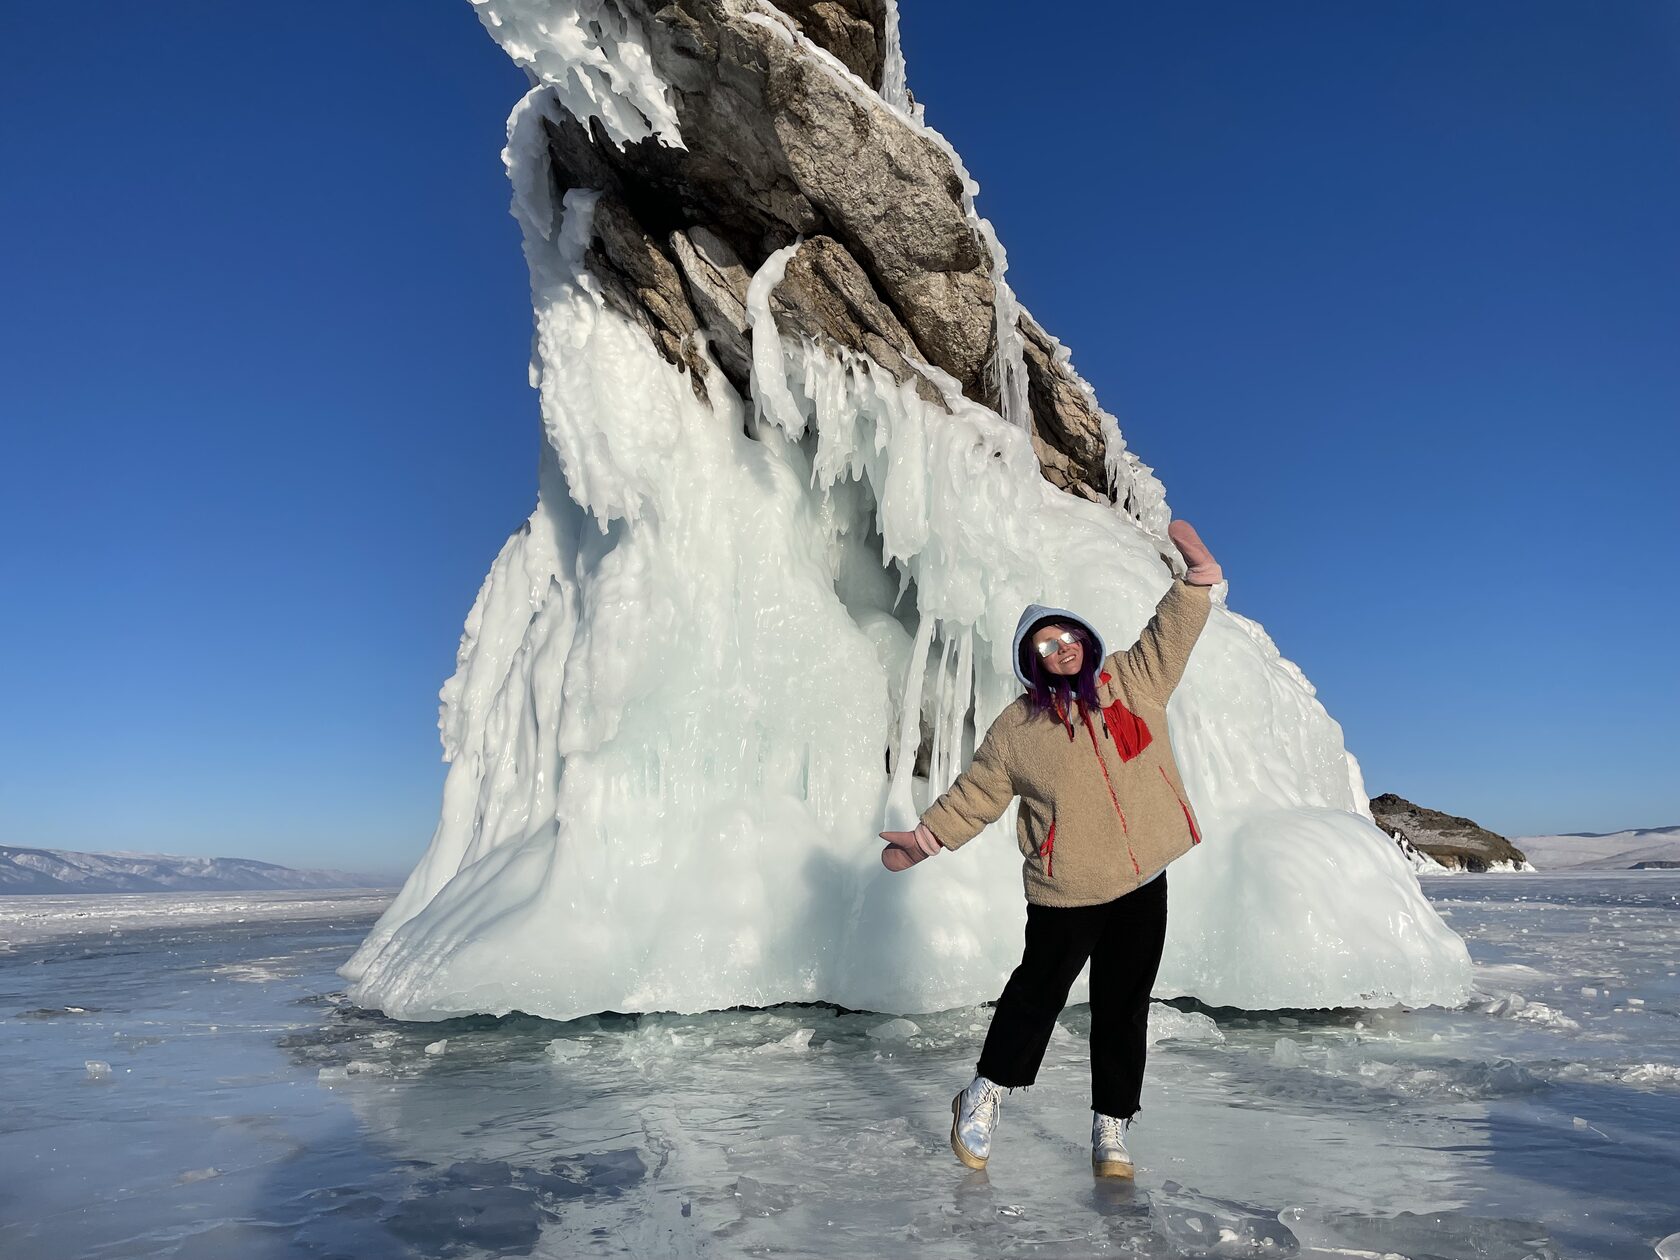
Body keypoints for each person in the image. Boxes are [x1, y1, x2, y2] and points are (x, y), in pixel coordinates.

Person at [878, 519, 1221, 1179]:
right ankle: (982, 1095)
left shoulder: (1133, 679)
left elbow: (1170, 632)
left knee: (1125, 1005)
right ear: (1031, 662)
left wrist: (1197, 580)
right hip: (1067, 887)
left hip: (1143, 879)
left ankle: (1111, 1128)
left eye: (1067, 637)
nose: (1061, 649)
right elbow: (976, 794)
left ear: (1083, 640)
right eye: (1046, 645)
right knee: (1036, 996)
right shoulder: (1018, 728)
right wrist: (924, 839)